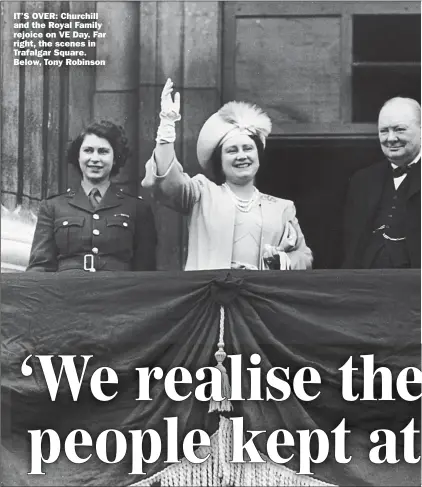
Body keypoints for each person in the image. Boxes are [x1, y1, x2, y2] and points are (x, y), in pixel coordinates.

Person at [142, 79, 312, 271]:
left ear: (258, 155)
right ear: (220, 161)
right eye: (232, 150)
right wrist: (167, 126)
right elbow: (166, 183)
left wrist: (281, 260)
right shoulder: (202, 193)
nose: (242, 156)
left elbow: (304, 257)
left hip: (260, 298)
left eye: (248, 148)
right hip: (210, 296)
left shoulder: (282, 208)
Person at [27, 120, 157, 272]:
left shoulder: (137, 209)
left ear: (115, 158)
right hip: (67, 293)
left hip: (117, 293)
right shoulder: (53, 207)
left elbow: (145, 272)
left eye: (103, 151)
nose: (95, 158)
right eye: (88, 150)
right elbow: (40, 268)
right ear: (78, 156)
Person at [343, 97, 421, 269]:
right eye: (384, 131)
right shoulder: (362, 180)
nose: (391, 138)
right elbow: (350, 245)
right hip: (368, 286)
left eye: (399, 129)